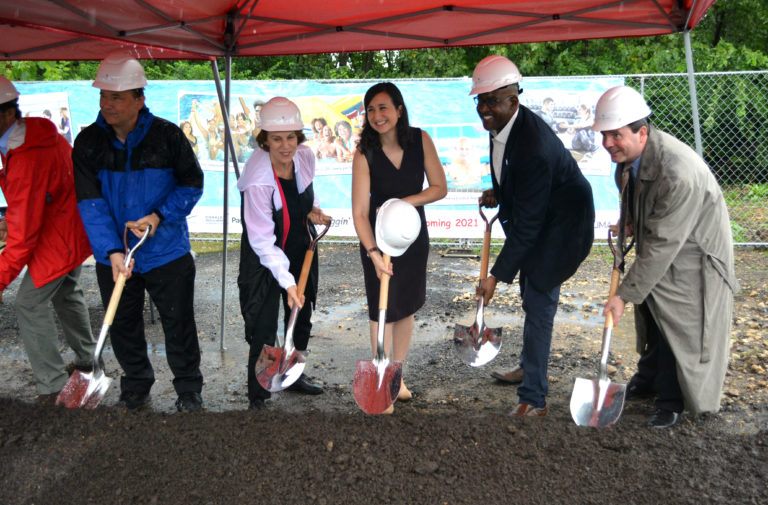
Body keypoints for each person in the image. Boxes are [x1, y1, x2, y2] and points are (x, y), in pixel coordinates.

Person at [596, 86, 738, 429]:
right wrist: (629, 218)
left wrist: (623, 296)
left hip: (696, 258)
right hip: (667, 244)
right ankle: (648, 380)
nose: (608, 143)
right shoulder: (629, 159)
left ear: (642, 132)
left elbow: (662, 244)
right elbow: (635, 194)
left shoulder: (678, 172)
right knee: (656, 315)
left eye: (617, 135)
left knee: (680, 323)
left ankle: (671, 402)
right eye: (605, 135)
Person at [72, 52, 205, 413]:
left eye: (116, 97)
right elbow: (90, 203)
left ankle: (189, 388)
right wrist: (112, 250)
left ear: (138, 99)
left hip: (166, 250)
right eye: (103, 95)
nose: (107, 104)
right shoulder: (87, 143)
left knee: (178, 322)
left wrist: (160, 215)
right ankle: (135, 383)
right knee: (123, 323)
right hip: (115, 253)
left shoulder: (167, 136)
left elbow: (192, 184)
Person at [470, 55, 595, 417]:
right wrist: (501, 193)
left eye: (492, 100)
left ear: (514, 98)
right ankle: (529, 366)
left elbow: (528, 226)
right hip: (541, 217)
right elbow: (512, 177)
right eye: (479, 100)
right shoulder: (503, 127)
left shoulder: (533, 147)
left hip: (562, 229)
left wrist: (495, 276)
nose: (484, 108)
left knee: (538, 300)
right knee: (530, 294)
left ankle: (534, 399)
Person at [0, 76, 96, 405]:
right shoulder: (35, 136)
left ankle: (53, 384)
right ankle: (88, 360)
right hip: (69, 229)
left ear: (7, 115)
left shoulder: (27, 156)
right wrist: (9, 221)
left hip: (57, 238)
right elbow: (40, 199)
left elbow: (24, 235)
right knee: (67, 293)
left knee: (28, 303)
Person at [351, 82, 447, 410]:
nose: (378, 116)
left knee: (405, 305)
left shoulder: (420, 140)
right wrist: (373, 253)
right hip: (378, 242)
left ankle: (397, 377)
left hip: (411, 237)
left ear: (399, 110)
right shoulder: (364, 152)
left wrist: (401, 204)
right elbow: (360, 213)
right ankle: (380, 379)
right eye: (371, 110)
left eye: (384, 108)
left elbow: (439, 187)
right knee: (383, 309)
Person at [236, 97, 331, 410]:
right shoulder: (257, 180)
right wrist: (287, 281)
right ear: (264, 139)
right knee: (262, 326)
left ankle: (294, 372)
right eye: (276, 138)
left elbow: (297, 200)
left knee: (301, 314)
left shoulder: (304, 158)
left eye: (291, 136)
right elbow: (263, 240)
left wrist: (311, 212)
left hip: (299, 248)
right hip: (263, 259)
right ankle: (258, 395)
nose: (285, 145)